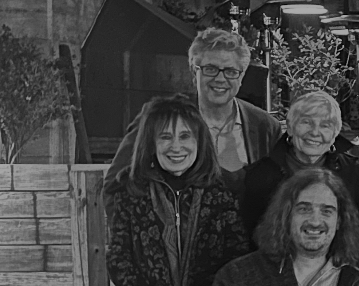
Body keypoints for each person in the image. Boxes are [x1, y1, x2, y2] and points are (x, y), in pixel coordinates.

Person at [104, 95, 249, 286]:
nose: (176, 147)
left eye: (184, 136)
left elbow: (236, 254)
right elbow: (119, 258)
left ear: (199, 140)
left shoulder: (222, 192)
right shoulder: (131, 190)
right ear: (151, 143)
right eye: (165, 137)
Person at [106, 28, 282, 182]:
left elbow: (281, 191)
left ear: (241, 77)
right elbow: (115, 183)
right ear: (193, 72)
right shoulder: (159, 117)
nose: (220, 79)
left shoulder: (265, 126)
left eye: (230, 71)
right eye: (210, 69)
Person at [209, 168, 359, 286]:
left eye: (327, 211)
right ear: (286, 216)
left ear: (340, 221)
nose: (315, 221)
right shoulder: (237, 278)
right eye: (304, 209)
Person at [243, 91, 359, 247]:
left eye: (325, 125)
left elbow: (357, 234)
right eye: (306, 122)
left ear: (335, 134)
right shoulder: (261, 175)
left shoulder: (349, 171)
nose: (315, 132)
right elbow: (251, 240)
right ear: (290, 127)